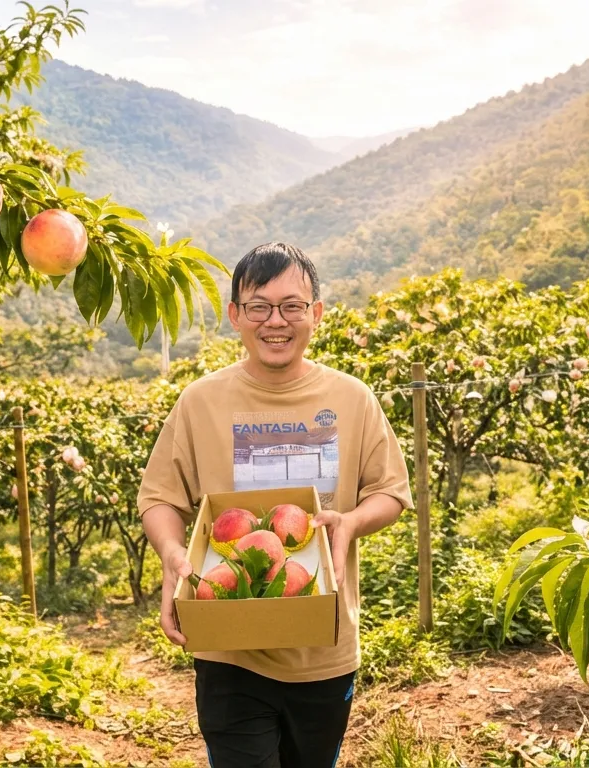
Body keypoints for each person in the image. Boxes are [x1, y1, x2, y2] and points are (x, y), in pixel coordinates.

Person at [137, 242, 412, 768]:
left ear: (316, 314)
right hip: (228, 645)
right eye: (259, 306)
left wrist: (351, 522)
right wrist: (174, 554)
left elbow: (390, 492)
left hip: (324, 648)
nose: (275, 321)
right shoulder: (200, 401)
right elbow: (160, 497)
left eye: (291, 306)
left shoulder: (353, 399)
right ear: (236, 315)